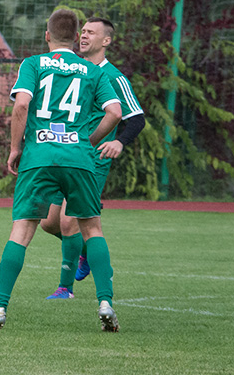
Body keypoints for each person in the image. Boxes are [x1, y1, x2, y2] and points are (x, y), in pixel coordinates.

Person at [0, 9, 123, 332]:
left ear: (47, 36)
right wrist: (88, 141)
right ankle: (105, 302)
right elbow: (115, 112)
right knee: (92, 229)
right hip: (78, 157)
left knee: (21, 231)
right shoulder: (92, 70)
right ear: (77, 38)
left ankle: (0, 308)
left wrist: (16, 148)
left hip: (39, 156)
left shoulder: (33, 64)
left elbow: (21, 105)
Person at [40, 17, 145, 300]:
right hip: (63, 156)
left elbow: (135, 119)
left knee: (67, 222)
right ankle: (88, 252)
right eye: (82, 31)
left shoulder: (113, 77)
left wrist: (119, 143)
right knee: (47, 222)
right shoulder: (77, 71)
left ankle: (65, 288)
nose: (83, 36)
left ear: (106, 41)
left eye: (91, 33)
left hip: (92, 161)